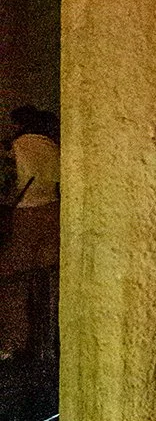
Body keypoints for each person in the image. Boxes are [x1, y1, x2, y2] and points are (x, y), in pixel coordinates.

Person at [6, 106, 60, 377]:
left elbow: (13, 180)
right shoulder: (52, 144)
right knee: (47, 278)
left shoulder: (20, 144)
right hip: (52, 210)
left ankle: (19, 343)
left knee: (20, 279)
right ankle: (46, 342)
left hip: (27, 212)